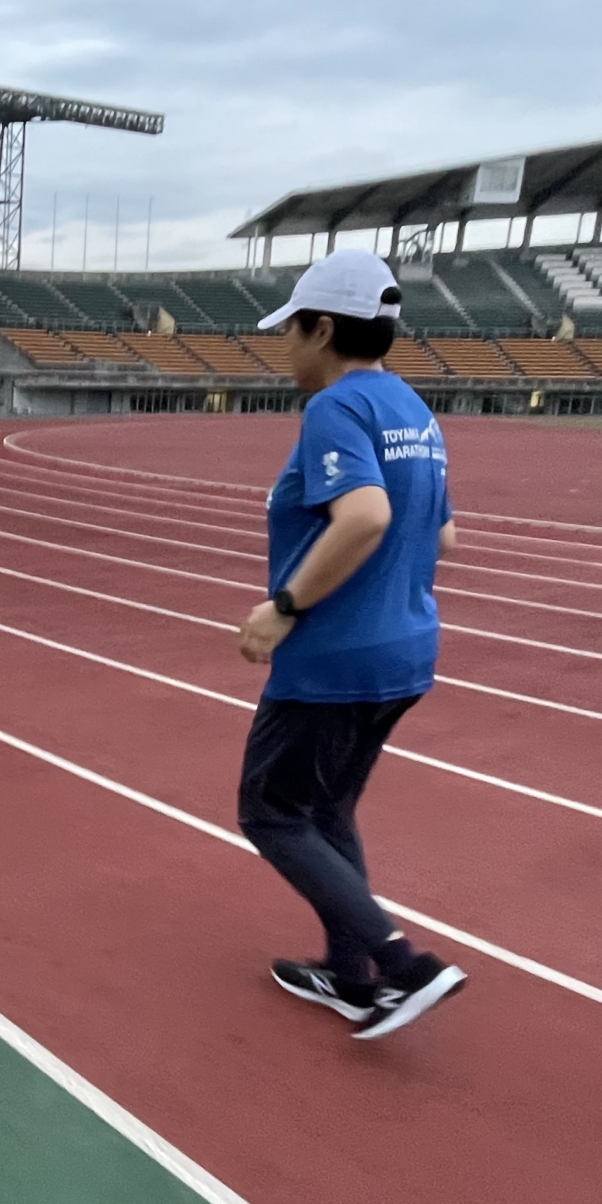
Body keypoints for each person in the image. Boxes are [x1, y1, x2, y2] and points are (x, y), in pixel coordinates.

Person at [234, 247, 466, 1040]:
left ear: (322, 327)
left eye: (291, 331)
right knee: (327, 806)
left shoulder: (336, 407)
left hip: (334, 660)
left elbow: (365, 514)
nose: (286, 347)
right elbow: (445, 532)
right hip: (405, 652)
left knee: (269, 811)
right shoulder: (412, 409)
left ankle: (400, 964)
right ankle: (351, 976)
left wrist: (287, 605)